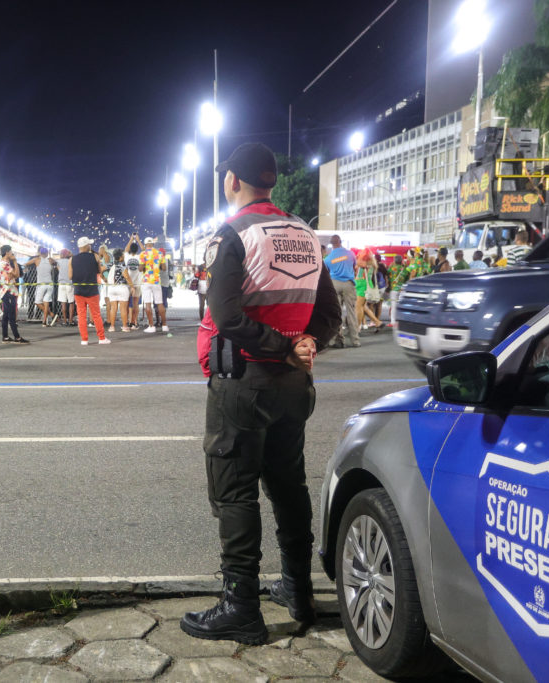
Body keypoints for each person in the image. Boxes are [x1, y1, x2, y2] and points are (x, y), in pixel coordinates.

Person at [182, 142, 340, 645]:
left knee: (234, 491)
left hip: (244, 382)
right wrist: (305, 344)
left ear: (232, 181)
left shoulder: (233, 234)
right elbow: (329, 313)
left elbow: (226, 316)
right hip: (294, 386)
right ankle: (297, 590)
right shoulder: (305, 233)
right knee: (288, 485)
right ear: (271, 181)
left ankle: (240, 607)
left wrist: (279, 348)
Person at [322, 235, 358, 349]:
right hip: (348, 284)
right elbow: (354, 266)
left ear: (331, 244)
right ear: (340, 242)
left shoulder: (327, 259)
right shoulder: (350, 254)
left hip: (334, 284)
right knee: (351, 312)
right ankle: (355, 341)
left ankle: (339, 341)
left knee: (337, 313)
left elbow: (326, 273)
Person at [71, 237, 109, 345]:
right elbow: (99, 270)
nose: (90, 246)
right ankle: (101, 338)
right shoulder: (95, 256)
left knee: (81, 315)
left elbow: (70, 275)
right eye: (89, 245)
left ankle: (84, 339)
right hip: (92, 290)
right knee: (96, 314)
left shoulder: (72, 259)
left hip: (78, 290)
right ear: (86, 246)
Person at [0, 245, 29, 343]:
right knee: (11, 315)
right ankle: (17, 337)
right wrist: (14, 262)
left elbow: (15, 274)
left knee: (6, 315)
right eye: (11, 251)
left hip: (9, 291)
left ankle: (5, 337)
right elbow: (17, 274)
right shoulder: (4, 264)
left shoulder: (5, 263)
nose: (12, 253)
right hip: (8, 291)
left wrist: (13, 272)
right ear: (7, 252)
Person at [139, 237, 168, 333]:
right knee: (160, 303)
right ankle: (164, 325)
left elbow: (140, 268)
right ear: (153, 244)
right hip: (156, 281)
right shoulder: (159, 253)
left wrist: (144, 266)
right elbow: (164, 268)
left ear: (145, 244)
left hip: (147, 280)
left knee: (148, 304)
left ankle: (151, 326)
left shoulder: (143, 254)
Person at [354, 250, 383, 332]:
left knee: (358, 307)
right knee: (363, 307)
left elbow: (358, 263)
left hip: (362, 284)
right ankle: (377, 322)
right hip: (365, 284)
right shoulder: (371, 263)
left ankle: (357, 328)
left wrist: (360, 255)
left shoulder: (365, 263)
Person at [106, 248, 131, 332]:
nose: (124, 255)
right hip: (122, 288)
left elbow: (101, 269)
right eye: (123, 254)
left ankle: (112, 327)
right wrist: (132, 286)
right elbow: (126, 276)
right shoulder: (122, 265)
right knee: (123, 308)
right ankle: (124, 326)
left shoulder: (110, 264)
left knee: (113, 308)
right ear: (120, 257)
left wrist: (105, 279)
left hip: (111, 288)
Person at [30, 247, 55, 326]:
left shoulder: (36, 260)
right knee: (46, 302)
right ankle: (44, 321)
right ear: (47, 253)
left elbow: (26, 264)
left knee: (37, 302)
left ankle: (51, 314)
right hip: (50, 284)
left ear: (40, 253)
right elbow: (56, 263)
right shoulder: (50, 260)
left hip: (41, 284)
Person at [54, 249, 75, 326]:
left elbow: (58, 268)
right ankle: (70, 320)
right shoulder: (71, 260)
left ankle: (65, 321)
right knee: (71, 303)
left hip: (61, 284)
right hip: (69, 283)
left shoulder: (58, 261)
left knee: (63, 303)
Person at [387, 254, 408, 327]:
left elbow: (387, 275)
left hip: (394, 289)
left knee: (393, 306)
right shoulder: (404, 269)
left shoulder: (392, 268)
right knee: (401, 306)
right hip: (402, 289)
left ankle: (393, 322)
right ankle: (400, 321)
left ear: (394, 261)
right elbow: (406, 279)